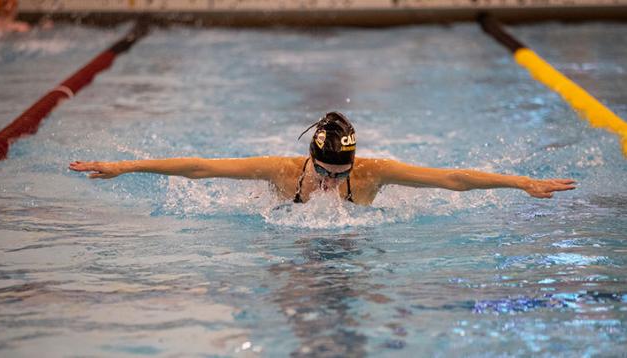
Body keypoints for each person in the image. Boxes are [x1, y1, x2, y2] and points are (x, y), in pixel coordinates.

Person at [69, 112, 576, 206]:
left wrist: (521, 182)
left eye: (341, 173)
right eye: (325, 171)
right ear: (308, 161)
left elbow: (451, 179)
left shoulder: (374, 174)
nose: (332, 183)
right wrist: (123, 167)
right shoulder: (281, 170)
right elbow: (202, 167)